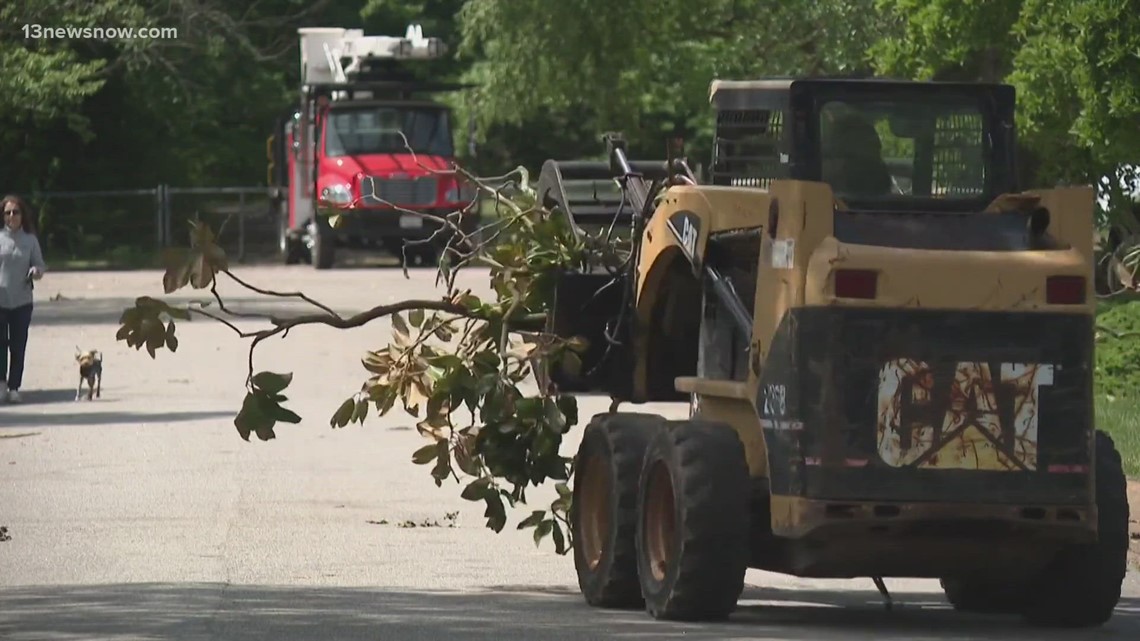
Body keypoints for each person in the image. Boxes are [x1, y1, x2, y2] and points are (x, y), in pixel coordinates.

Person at [0, 194, 46, 403]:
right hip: (1, 300)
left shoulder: (30, 240)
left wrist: (35, 270)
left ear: (22, 215)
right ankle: (1, 383)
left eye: (15, 212)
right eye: (7, 212)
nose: (12, 216)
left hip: (22, 301)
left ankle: (14, 387)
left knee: (18, 345)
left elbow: (40, 265)